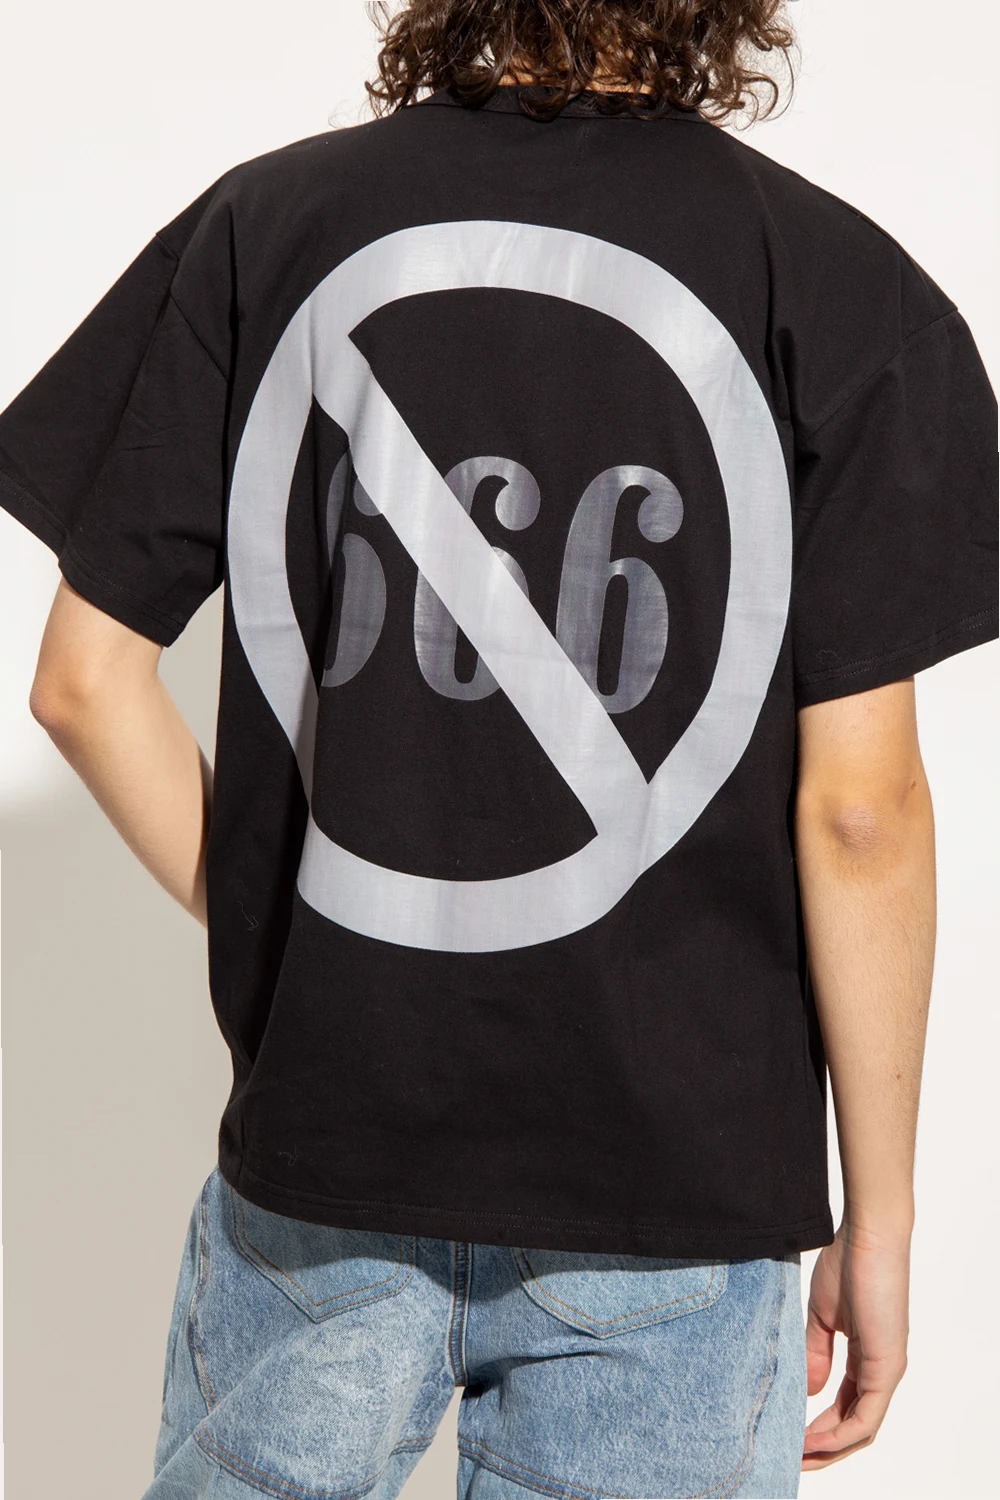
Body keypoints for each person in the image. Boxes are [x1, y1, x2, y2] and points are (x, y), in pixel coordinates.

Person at [1, 0, 996, 1494]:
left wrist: (312, 934)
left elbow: (82, 682)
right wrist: (886, 1221)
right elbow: (862, 811)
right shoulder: (835, 283)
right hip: (674, 1194)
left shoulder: (267, 229)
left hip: (326, 1160)